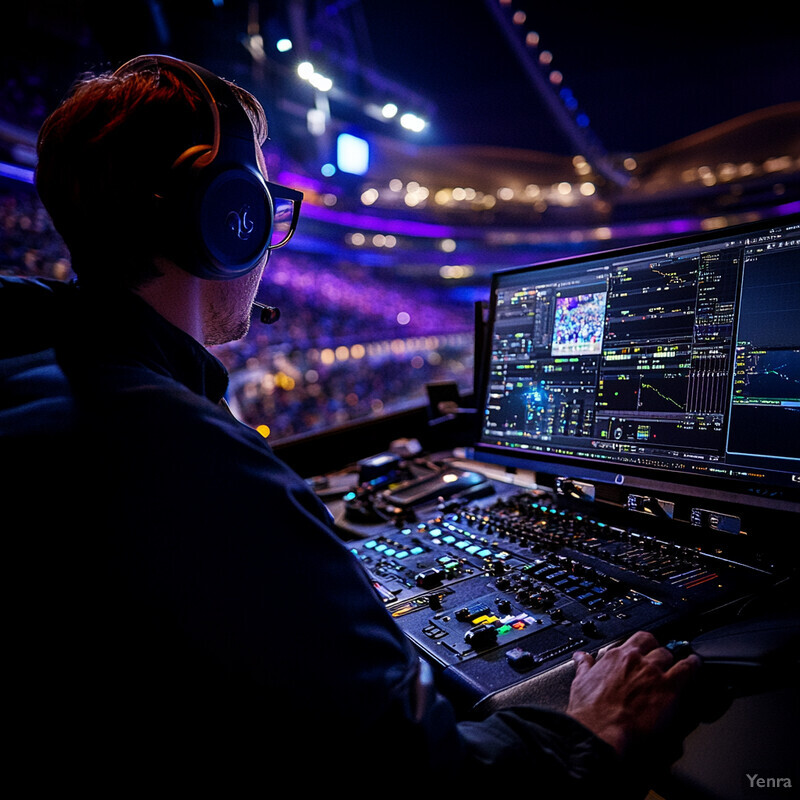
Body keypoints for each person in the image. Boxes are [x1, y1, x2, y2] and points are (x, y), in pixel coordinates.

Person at [0, 55, 701, 794]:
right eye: (265, 205)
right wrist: (593, 732)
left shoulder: (35, 370)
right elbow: (433, 783)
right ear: (227, 219)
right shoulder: (187, 459)